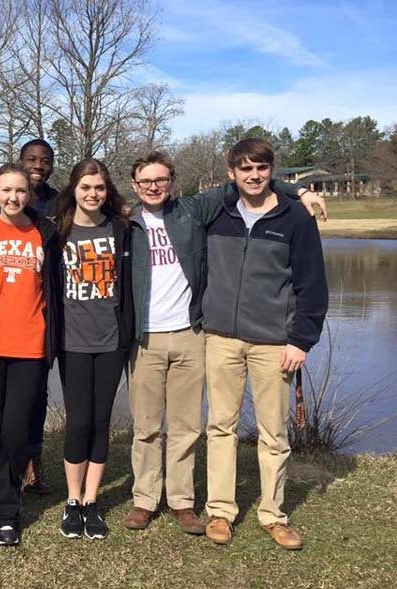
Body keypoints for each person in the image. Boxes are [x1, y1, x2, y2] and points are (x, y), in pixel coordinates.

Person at [123, 151, 327, 535]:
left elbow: (251, 183)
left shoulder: (194, 211)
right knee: (155, 426)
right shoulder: (127, 223)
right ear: (135, 186)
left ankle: (196, 504)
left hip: (197, 333)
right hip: (154, 337)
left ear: (172, 182)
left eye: (161, 180)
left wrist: (298, 190)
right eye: (146, 181)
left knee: (193, 426)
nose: (154, 187)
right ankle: (153, 501)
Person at [201, 138, 328, 549]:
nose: (253, 176)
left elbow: (313, 285)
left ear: (272, 170)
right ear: (231, 174)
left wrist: (301, 339)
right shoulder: (216, 212)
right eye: (245, 169)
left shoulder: (294, 218)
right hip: (221, 337)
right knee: (221, 427)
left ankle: (273, 514)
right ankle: (220, 511)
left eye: (261, 168)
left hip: (275, 343)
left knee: (274, 433)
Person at [0, 164, 61, 546]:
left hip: (30, 346)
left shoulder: (46, 233)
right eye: (6, 190)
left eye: (20, 191)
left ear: (31, 195)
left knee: (17, 430)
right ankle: (0, 489)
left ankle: (5, 511)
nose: (13, 197)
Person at [52, 159, 133, 540]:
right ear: (74, 190)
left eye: (99, 188)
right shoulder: (58, 231)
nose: (93, 194)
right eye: (86, 187)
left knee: (101, 421)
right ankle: (71, 500)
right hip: (72, 341)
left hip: (110, 339)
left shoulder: (121, 229)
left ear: (107, 191)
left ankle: (91, 501)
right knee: (78, 421)